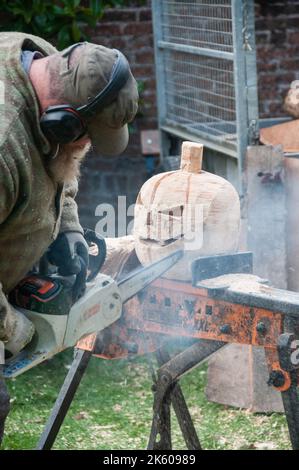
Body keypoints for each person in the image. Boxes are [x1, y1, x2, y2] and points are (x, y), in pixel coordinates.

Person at [0, 31, 138, 445]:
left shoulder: (44, 60)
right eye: (87, 134)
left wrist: (68, 226)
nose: (88, 145)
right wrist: (13, 329)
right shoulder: (4, 144)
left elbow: (62, 164)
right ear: (62, 120)